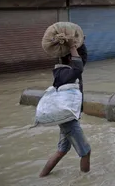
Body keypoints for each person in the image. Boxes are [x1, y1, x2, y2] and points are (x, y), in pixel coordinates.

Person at [40, 43, 91, 177]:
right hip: (68, 120)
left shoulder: (68, 70)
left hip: (67, 117)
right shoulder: (62, 73)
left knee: (62, 150)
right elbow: (79, 66)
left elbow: (82, 60)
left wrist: (79, 42)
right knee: (86, 152)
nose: (78, 57)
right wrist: (73, 48)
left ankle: (42, 176)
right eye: (75, 55)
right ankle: (86, 180)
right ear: (70, 58)